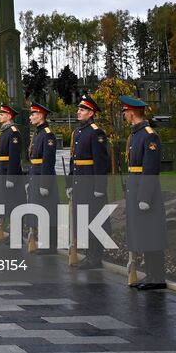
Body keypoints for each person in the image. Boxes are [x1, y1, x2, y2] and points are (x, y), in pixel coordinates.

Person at [121, 95, 166, 290]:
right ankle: (150, 274)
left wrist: (145, 196)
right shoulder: (135, 134)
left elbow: (150, 168)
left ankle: (157, 276)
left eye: (125, 112)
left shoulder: (149, 135)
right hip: (135, 188)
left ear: (131, 113)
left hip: (145, 193)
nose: (124, 115)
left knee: (151, 233)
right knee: (143, 233)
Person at [69, 95, 110, 269]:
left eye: (83, 109)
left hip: (91, 182)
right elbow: (73, 160)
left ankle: (96, 256)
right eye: (78, 109)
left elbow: (101, 162)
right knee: (83, 218)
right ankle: (88, 255)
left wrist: (99, 186)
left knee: (95, 218)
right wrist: (69, 183)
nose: (78, 112)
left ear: (91, 112)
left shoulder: (96, 132)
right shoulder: (78, 132)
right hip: (80, 181)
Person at [27, 101, 57, 253]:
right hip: (36, 175)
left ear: (40, 116)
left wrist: (45, 183)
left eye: (33, 114)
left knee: (46, 211)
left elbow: (48, 161)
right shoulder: (38, 133)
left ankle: (50, 244)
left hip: (43, 177)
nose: (30, 116)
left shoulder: (47, 135)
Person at [0, 104, 24, 244]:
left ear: (9, 116)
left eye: (2, 114)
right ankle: (11, 234)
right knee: (6, 203)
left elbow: (14, 156)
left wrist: (11, 177)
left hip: (10, 174)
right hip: (3, 171)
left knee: (13, 204)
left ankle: (16, 235)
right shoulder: (5, 131)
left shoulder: (13, 132)